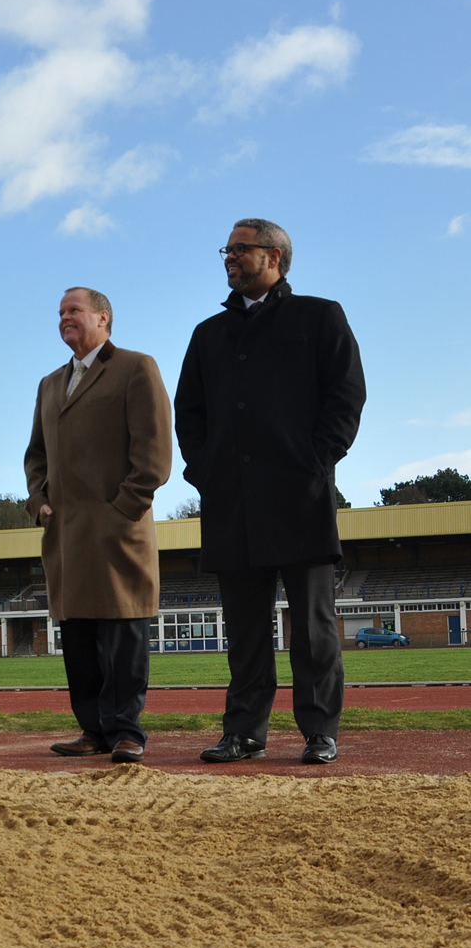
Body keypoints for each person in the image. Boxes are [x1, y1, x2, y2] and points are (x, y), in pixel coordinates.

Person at [177, 218, 365, 765]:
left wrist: (316, 461)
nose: (229, 257)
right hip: (231, 502)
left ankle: (319, 731)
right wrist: (204, 471)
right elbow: (188, 412)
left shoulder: (319, 316)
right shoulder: (208, 334)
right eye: (226, 249)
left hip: (300, 498)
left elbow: (347, 395)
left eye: (241, 248)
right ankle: (244, 732)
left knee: (313, 628)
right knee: (246, 631)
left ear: (275, 256)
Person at [25, 287, 173, 764]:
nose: (64, 318)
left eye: (74, 310)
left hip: (116, 528)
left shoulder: (135, 367)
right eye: (60, 313)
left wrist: (124, 509)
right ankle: (93, 729)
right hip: (66, 534)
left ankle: (127, 730)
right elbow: (36, 455)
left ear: (103, 318)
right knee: (80, 637)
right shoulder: (50, 384)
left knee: (123, 633)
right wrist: (38, 501)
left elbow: (153, 452)